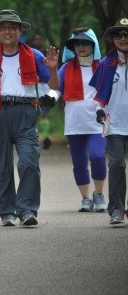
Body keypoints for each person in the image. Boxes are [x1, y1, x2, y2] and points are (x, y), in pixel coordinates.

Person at [0, 10, 59, 227]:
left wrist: (53, 70)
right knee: (1, 165)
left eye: (12, 27)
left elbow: (54, 85)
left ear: (19, 31)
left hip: (26, 112)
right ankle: (7, 211)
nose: (7, 31)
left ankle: (26, 209)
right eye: (3, 27)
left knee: (29, 162)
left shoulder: (34, 55)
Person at [56, 28, 107, 213]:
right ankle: (85, 198)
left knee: (97, 156)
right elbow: (56, 90)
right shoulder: (66, 67)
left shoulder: (102, 66)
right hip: (74, 122)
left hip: (97, 122)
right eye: (77, 44)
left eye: (85, 43)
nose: (81, 47)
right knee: (79, 162)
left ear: (93, 45)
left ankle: (99, 193)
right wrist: (49, 98)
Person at [89, 17, 128, 225]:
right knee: (117, 164)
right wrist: (98, 110)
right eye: (119, 34)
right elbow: (98, 92)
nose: (123, 38)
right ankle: (116, 209)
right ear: (113, 39)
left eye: (127, 34)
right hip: (115, 124)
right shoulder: (106, 63)